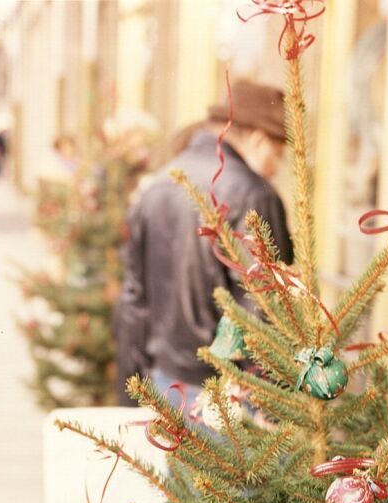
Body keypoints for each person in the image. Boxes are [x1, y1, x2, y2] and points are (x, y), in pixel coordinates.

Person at [114, 79, 293, 407]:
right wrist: (277, 403)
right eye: (277, 154)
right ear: (257, 139)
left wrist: (129, 394)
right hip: (234, 396)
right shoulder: (254, 194)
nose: (275, 168)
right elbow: (268, 309)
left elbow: (134, 301)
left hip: (166, 382)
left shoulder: (156, 186)